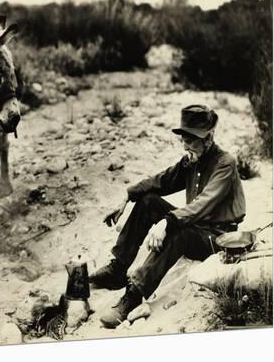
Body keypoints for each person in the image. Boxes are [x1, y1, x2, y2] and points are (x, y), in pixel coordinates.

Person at [92, 104, 246, 328]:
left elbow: (203, 204)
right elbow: (162, 181)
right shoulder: (192, 159)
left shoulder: (226, 164)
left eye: (191, 139)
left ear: (209, 137)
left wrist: (167, 222)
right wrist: (127, 195)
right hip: (194, 224)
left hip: (217, 238)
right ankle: (118, 268)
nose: (185, 145)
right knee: (148, 201)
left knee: (180, 231)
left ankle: (133, 295)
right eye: (183, 138)